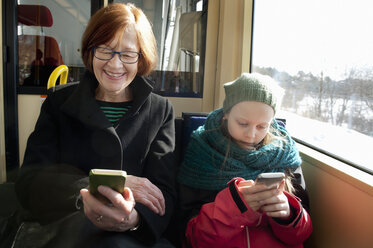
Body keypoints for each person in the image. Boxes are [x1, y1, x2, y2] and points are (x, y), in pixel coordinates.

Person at [15, 3, 176, 247]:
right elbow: (29, 181)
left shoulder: (160, 111)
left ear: (141, 57)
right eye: (105, 50)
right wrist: (92, 190)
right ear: (90, 52)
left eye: (127, 53)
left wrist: (134, 220)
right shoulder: (58, 103)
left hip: (130, 238)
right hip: (65, 230)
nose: (115, 64)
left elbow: (163, 192)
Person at [177, 73, 313, 247]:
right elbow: (192, 237)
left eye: (262, 126)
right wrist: (235, 207)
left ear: (271, 123)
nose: (251, 134)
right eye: (242, 123)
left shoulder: (285, 155)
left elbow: (302, 234)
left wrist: (288, 215)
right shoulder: (203, 152)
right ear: (226, 114)